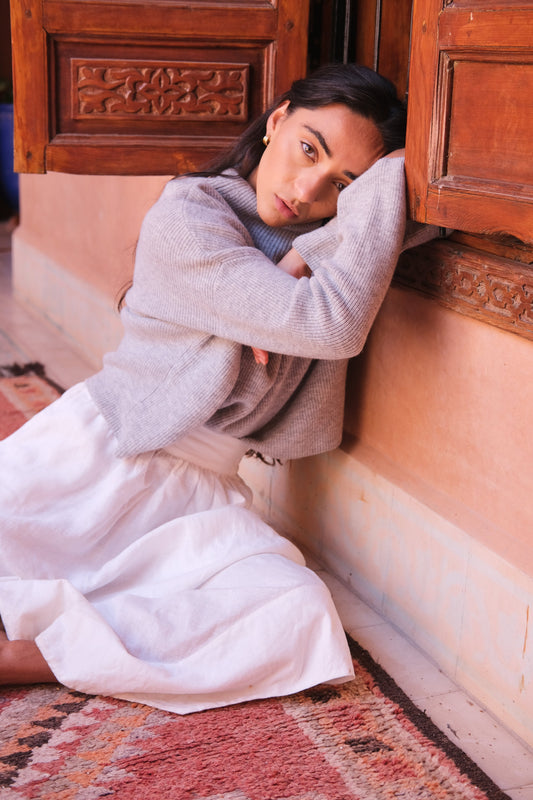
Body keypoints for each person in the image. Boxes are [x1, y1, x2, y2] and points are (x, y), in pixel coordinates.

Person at [0, 63, 436, 714]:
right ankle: (83, 630)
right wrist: (314, 258)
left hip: (204, 494)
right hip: (99, 459)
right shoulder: (189, 214)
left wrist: (308, 250)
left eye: (345, 183)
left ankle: (33, 655)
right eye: (307, 148)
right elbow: (328, 324)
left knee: (297, 614)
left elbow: (428, 219)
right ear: (277, 121)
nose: (308, 187)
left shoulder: (335, 248)